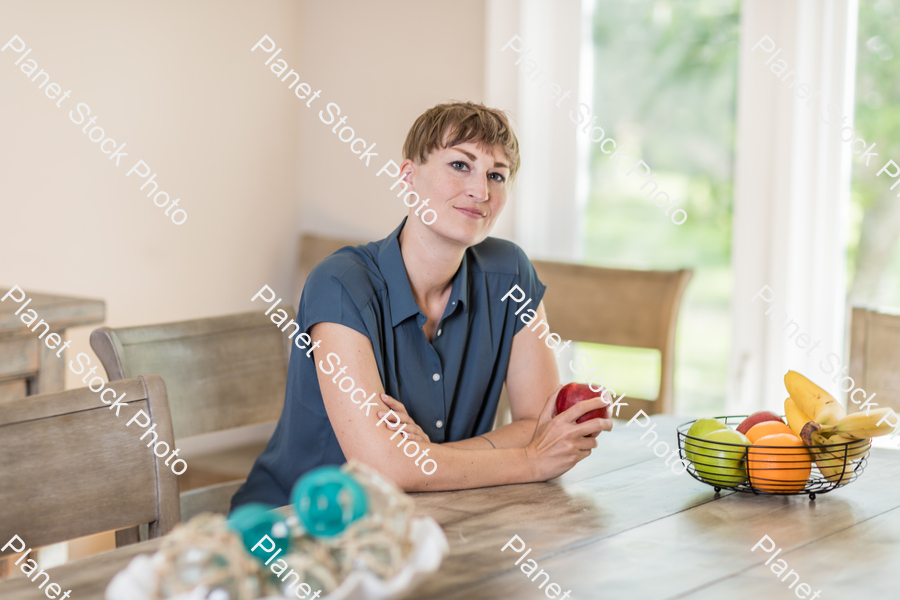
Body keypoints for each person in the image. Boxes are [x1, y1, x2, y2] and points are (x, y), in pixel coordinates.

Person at [231, 101, 612, 510]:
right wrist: (529, 461)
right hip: (301, 528)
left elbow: (538, 423)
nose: (480, 192)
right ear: (409, 176)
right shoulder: (338, 284)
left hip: (435, 517)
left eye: (496, 175)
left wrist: (424, 457)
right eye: (460, 166)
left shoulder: (510, 274)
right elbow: (382, 467)